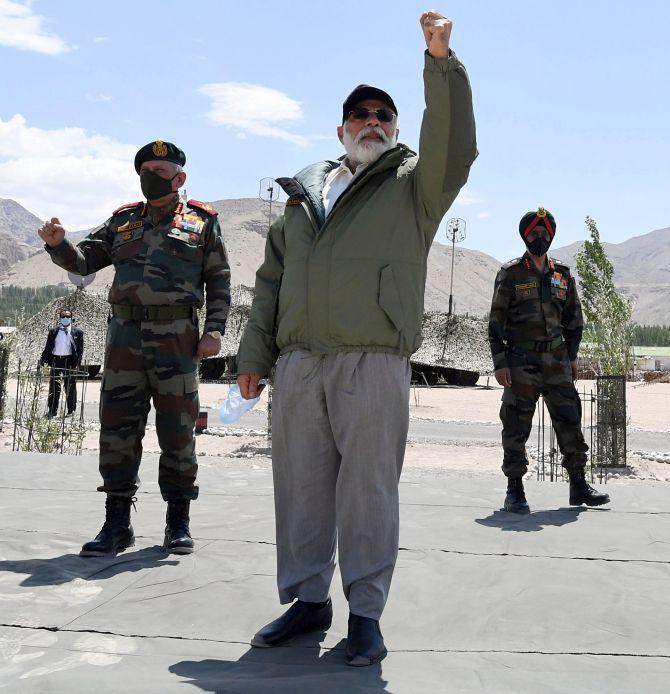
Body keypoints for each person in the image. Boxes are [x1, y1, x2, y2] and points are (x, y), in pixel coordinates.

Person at [236, 11, 477, 666]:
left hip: (371, 363)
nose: (374, 122)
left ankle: (365, 614)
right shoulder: (301, 200)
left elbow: (454, 149)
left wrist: (440, 64)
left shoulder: (413, 188)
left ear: (396, 129)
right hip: (298, 366)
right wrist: (257, 359)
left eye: (385, 116)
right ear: (340, 130)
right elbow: (270, 284)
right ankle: (308, 600)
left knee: (368, 489)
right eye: (360, 115)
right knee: (302, 488)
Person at [37, 140, 231, 556]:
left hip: (177, 339)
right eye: (146, 168)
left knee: (178, 432)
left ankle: (177, 523)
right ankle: (117, 524)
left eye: (161, 170)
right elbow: (85, 261)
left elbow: (219, 281)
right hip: (124, 338)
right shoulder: (122, 221)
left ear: (180, 177)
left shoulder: (203, 223)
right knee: (118, 429)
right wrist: (58, 245)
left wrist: (214, 331)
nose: (152, 176)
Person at [488, 207, 610, 513]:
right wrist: (500, 362)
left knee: (570, 421)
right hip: (521, 361)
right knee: (516, 424)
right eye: (534, 233)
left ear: (551, 236)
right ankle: (514, 490)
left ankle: (578, 486)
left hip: (557, 361)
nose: (540, 237)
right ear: (525, 236)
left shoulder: (562, 275)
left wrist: (571, 357)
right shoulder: (511, 273)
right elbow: (496, 322)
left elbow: (574, 320)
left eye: (545, 233)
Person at [40, 307, 84, 417]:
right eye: (63, 316)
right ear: (60, 318)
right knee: (54, 387)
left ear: (71, 318)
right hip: (55, 360)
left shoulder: (77, 332)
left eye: (68, 317)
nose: (65, 318)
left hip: (69, 361)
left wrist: (77, 364)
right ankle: (52, 410)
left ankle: (71, 410)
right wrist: (43, 360)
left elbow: (80, 350)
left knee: (70, 386)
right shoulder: (54, 331)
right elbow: (48, 347)